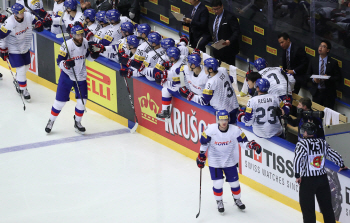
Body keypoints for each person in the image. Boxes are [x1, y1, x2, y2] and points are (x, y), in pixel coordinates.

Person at [197, 110, 262, 213]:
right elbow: (204, 144)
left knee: (235, 183)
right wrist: (201, 156)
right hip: (215, 160)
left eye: (226, 119)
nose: (224, 122)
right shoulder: (210, 130)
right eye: (221, 119)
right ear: (218, 120)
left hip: (230, 160)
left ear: (228, 119)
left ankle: (237, 199)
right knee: (218, 183)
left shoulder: (235, 130)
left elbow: (244, 143)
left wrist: (251, 145)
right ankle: (219, 201)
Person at [45, 25, 105, 134]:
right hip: (67, 76)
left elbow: (89, 58)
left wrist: (95, 55)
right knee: (59, 103)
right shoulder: (66, 45)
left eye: (81, 34)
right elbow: (59, 62)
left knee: (82, 102)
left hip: (81, 76)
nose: (80, 36)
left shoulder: (85, 42)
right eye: (77, 35)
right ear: (72, 35)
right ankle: (51, 121)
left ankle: (77, 122)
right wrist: (66, 64)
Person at [293, 122, 348, 223]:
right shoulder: (322, 142)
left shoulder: (302, 144)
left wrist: (297, 175)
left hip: (308, 181)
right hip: (322, 179)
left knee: (308, 210)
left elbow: (297, 159)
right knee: (327, 208)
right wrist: (341, 164)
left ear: (305, 132)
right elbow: (334, 154)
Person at [0, 3, 44, 102]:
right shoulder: (9, 23)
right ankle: (24, 90)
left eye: (23, 12)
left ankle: (18, 80)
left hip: (25, 46)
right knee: (21, 69)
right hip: (13, 48)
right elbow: (1, 35)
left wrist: (38, 23)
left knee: (26, 67)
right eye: (20, 13)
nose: (22, 14)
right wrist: (2, 48)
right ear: (15, 14)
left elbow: (37, 20)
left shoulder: (27, 16)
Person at [202, 58, 239, 124]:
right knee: (233, 129)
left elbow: (205, 100)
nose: (204, 68)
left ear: (210, 70)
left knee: (224, 131)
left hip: (223, 112)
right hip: (234, 105)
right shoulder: (223, 69)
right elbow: (231, 79)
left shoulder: (211, 82)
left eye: (205, 67)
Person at [307, 40, 341, 109]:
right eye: (320, 46)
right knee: (316, 115)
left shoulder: (333, 62)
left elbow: (338, 77)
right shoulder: (313, 60)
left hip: (328, 94)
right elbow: (307, 75)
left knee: (327, 116)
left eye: (323, 47)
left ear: (328, 50)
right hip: (316, 93)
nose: (320, 48)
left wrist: (328, 78)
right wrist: (313, 80)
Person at [155, 47, 187, 121]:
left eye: (169, 57)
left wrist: (161, 77)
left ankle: (165, 112)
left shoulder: (174, 69)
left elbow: (173, 80)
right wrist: (170, 63)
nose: (168, 57)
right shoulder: (183, 57)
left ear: (173, 57)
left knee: (165, 89)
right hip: (188, 82)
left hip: (183, 87)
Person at [210, 0, 240, 66]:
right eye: (214, 9)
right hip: (217, 46)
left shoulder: (230, 17)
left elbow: (237, 31)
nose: (216, 11)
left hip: (227, 49)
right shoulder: (214, 16)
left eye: (217, 9)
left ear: (222, 6)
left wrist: (230, 40)